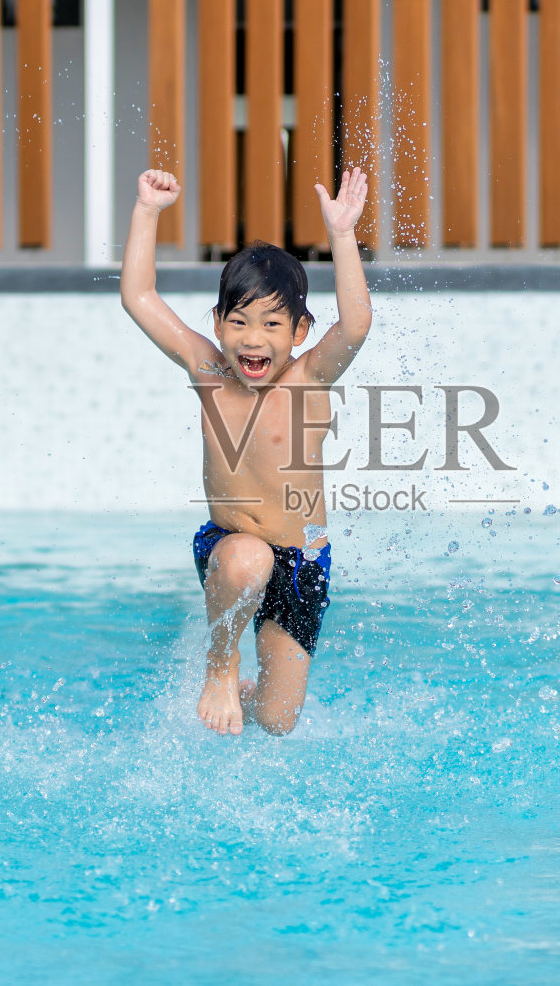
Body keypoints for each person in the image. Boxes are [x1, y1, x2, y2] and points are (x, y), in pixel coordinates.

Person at [120, 166, 372, 735]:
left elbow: (355, 324)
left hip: (303, 562)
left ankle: (252, 691)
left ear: (301, 330)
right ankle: (220, 664)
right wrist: (147, 211)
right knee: (248, 558)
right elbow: (138, 296)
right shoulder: (207, 369)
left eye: (271, 324)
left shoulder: (309, 378)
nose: (253, 339)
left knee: (277, 722)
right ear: (217, 322)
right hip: (232, 551)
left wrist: (342, 235)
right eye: (238, 322)